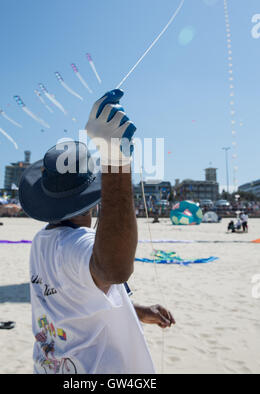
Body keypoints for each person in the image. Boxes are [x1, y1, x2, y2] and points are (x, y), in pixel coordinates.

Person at [19, 90, 175, 374]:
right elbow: (113, 269)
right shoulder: (76, 246)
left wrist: (136, 310)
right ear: (92, 197)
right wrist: (115, 158)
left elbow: (77, 300)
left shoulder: (41, 241)